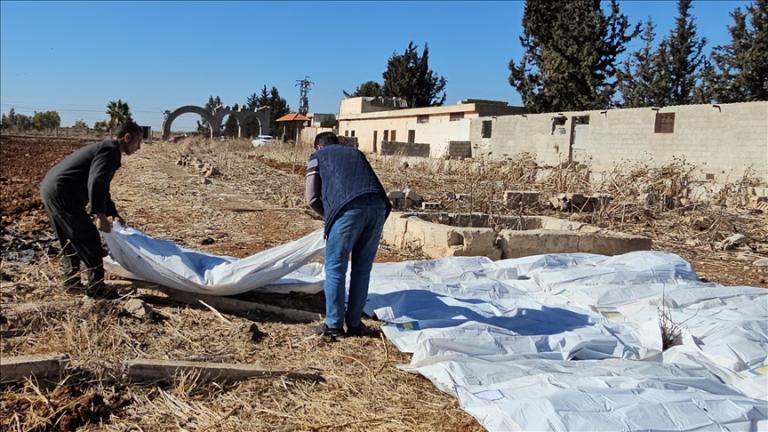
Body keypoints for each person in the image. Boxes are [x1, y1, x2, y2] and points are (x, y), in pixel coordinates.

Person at [40, 120, 143, 299]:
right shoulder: (110, 151)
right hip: (63, 193)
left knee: (70, 239)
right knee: (90, 240)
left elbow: (102, 186)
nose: (139, 147)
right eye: (138, 142)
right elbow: (96, 181)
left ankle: (71, 283)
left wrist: (113, 213)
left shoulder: (106, 148)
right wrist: (99, 214)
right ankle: (96, 289)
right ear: (127, 138)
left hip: (51, 189)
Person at [305, 132, 391, 339]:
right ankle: (354, 324)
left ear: (318, 146)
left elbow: (311, 197)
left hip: (348, 209)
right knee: (362, 269)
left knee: (335, 267)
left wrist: (330, 216)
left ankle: (333, 326)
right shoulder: (356, 154)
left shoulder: (318, 157)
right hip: (379, 207)